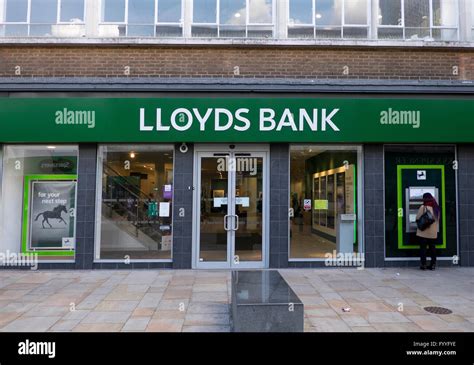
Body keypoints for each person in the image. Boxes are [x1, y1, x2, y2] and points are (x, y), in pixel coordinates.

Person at [415, 192, 440, 271]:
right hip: (432, 233)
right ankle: (433, 265)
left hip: (423, 232)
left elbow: (417, 218)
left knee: (423, 249)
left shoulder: (423, 207)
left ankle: (424, 264)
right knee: (432, 249)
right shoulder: (436, 208)